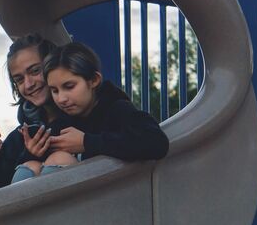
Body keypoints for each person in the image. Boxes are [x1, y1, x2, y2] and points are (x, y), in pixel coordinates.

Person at [10, 41, 168, 184]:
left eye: (69, 86)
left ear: (94, 80)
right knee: (30, 166)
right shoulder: (63, 123)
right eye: (54, 90)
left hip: (114, 197)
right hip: (80, 199)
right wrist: (33, 153)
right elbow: (28, 162)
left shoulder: (117, 109)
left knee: (60, 158)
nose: (61, 98)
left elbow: (157, 142)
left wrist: (87, 142)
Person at [0, 34, 73, 198]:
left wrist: (86, 142)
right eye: (19, 80)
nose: (28, 84)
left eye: (35, 71)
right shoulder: (23, 135)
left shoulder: (87, 114)